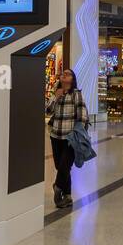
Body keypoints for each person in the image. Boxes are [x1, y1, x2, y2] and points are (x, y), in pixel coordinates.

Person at [45, 68, 88, 209]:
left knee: (64, 166)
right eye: (63, 73)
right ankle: (68, 195)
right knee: (60, 167)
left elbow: (82, 117)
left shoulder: (76, 94)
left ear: (72, 79)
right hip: (56, 135)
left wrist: (77, 134)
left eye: (68, 74)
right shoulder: (56, 93)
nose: (64, 75)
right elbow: (47, 111)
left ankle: (58, 189)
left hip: (70, 138)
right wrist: (55, 97)